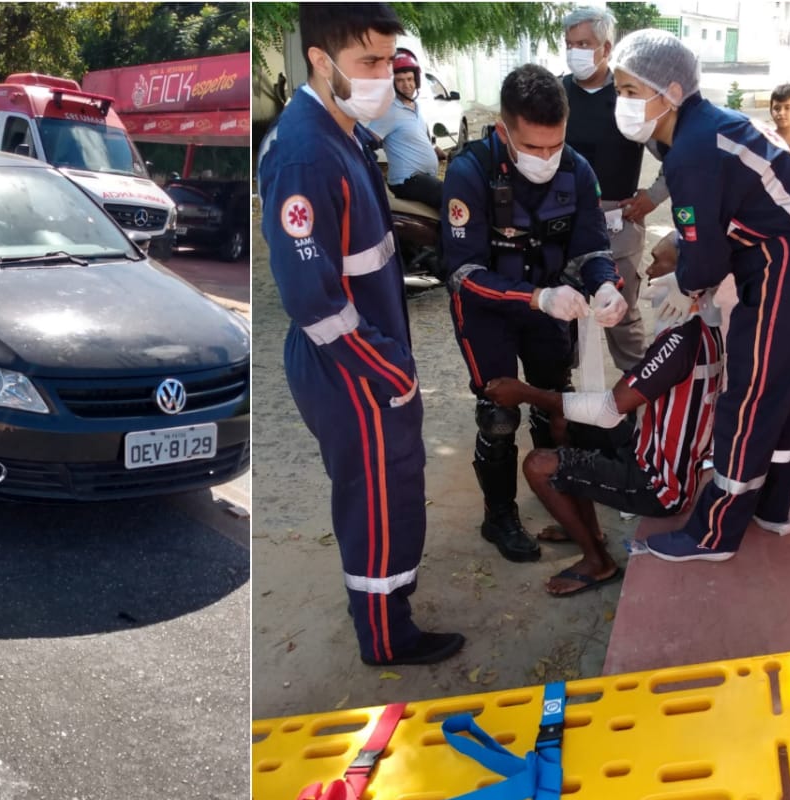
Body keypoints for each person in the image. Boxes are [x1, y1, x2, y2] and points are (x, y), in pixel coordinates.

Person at [259, 3, 464, 667]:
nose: (385, 75)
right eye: (368, 62)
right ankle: (385, 636)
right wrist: (390, 371)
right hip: (350, 365)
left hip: (369, 356)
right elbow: (314, 301)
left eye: (389, 59)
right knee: (374, 498)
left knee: (395, 485)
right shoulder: (306, 156)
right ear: (320, 60)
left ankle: (393, 601)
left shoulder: (342, 129)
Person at [612, 29, 790, 562]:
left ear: (670, 89)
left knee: (748, 392)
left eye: (630, 91)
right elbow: (713, 222)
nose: (621, 103)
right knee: (781, 388)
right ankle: (769, 504)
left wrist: (687, 282)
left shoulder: (692, 148)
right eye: (619, 91)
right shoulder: (702, 128)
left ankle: (713, 533)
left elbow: (706, 253)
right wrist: (688, 260)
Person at [441, 63, 628, 565]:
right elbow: (463, 273)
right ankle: (498, 514)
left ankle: (560, 495)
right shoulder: (469, 172)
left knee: (554, 403)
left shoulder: (578, 170)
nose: (546, 158)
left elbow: (591, 246)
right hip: (490, 311)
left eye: (555, 145)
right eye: (532, 147)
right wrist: (535, 298)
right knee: (500, 413)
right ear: (504, 130)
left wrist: (607, 285)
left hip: (553, 305)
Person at [486, 287, 725, 595]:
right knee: (567, 420)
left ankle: (598, 562)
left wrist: (524, 393)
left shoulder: (681, 341)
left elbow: (610, 410)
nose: (651, 271)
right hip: (650, 449)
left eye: (660, 262)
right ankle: (588, 531)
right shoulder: (703, 329)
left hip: (659, 484)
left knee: (538, 465)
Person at [559, 6, 651, 375]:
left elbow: (674, 152)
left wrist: (653, 196)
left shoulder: (628, 94)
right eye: (569, 44)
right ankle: (559, 401)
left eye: (584, 43)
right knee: (566, 318)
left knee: (621, 314)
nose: (575, 51)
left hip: (617, 221)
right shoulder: (556, 93)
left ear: (606, 47)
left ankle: (641, 399)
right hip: (562, 220)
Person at [367, 48, 446, 209]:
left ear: (416, 80)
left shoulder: (415, 107)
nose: (407, 85)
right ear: (393, 84)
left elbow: (416, 138)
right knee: (451, 197)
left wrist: (435, 150)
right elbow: (368, 141)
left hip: (423, 178)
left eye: (410, 79)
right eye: (400, 80)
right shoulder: (389, 110)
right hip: (406, 180)